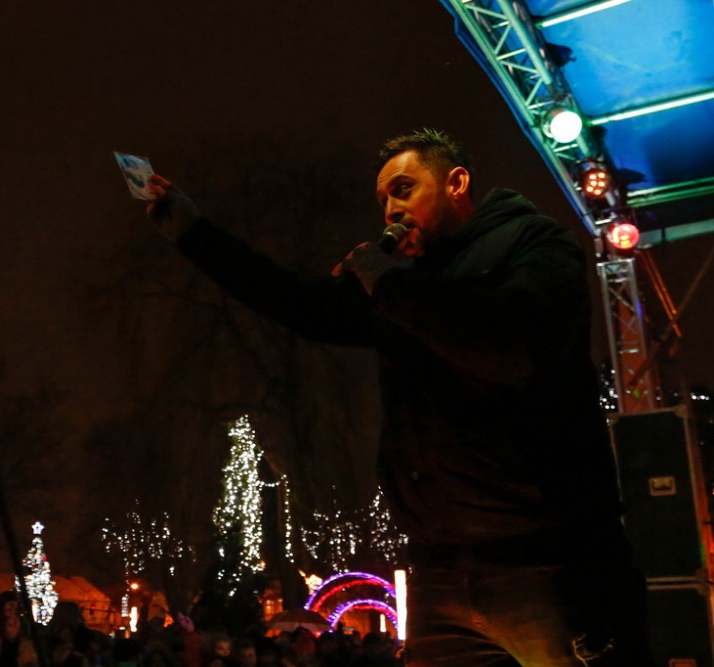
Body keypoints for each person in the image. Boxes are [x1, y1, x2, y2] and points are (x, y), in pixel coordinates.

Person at [144, 129, 653, 666]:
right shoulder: (401, 282)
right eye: (383, 199)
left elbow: (511, 345)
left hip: (549, 562)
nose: (391, 209)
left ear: (456, 183)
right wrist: (195, 234)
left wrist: (388, 283)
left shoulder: (534, 244)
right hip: (441, 573)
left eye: (404, 189)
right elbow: (298, 302)